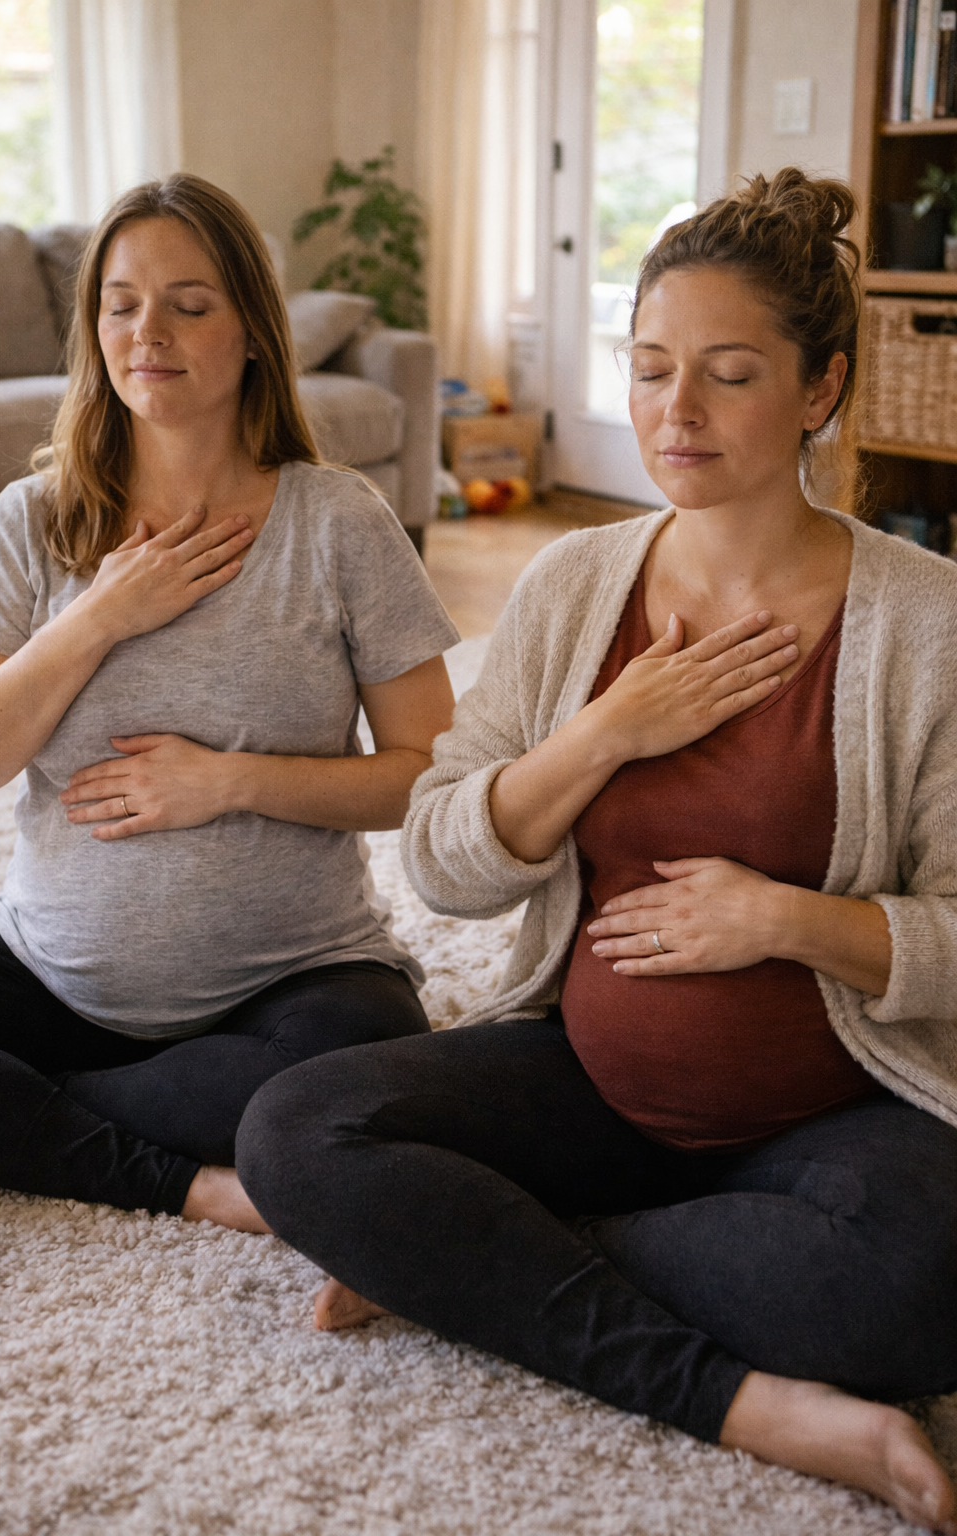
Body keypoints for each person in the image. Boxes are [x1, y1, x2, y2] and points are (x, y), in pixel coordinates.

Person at [235, 169, 957, 1531]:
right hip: (587, 1084)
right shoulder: (574, 586)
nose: (677, 412)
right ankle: (744, 1401)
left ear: (820, 388)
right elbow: (440, 863)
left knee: (922, 1286)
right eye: (651, 368)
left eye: (728, 375)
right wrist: (603, 735)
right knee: (297, 1131)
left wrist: (784, 919)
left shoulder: (929, 625)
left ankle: (481, 1258)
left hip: (832, 1118)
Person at [0, 173, 458, 1232]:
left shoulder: (338, 522)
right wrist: (99, 616)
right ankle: (188, 1176)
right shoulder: (29, 523)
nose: (149, 333)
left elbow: (434, 781)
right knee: (317, 1123)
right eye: (121, 304)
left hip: (297, 984)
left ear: (252, 330)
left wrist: (229, 782)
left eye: (189, 303)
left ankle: (31, 1118)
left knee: (356, 1075)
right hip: (54, 977)